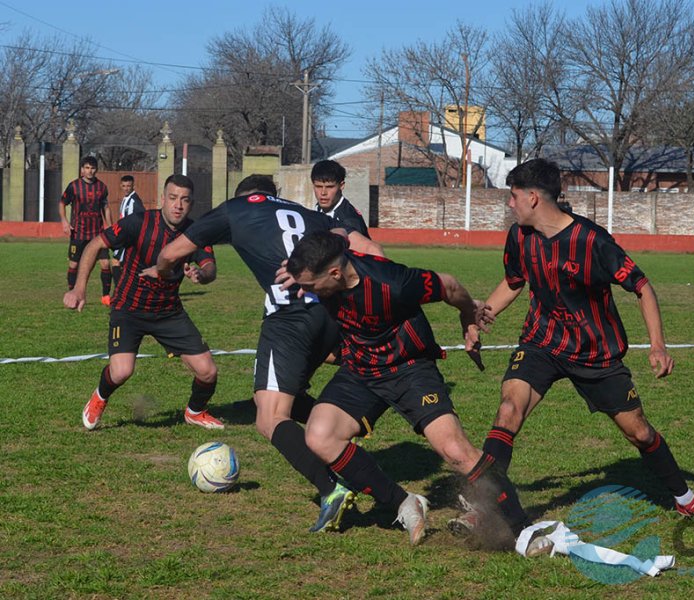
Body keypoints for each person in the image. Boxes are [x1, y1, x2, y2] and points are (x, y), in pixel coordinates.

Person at [476, 158, 694, 523]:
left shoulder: (591, 240)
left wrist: (658, 345)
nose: (509, 203)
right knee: (508, 410)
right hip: (542, 342)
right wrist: (481, 316)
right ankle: (484, 505)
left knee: (639, 433)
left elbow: (642, 287)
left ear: (533, 198)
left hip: (595, 353)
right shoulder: (520, 236)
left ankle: (685, 498)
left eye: (513, 196)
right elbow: (514, 281)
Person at [285, 231, 551, 556]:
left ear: (336, 273)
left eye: (310, 286)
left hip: (410, 369)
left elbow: (449, 285)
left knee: (455, 451)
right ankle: (404, 502)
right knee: (319, 436)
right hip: (361, 369)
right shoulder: (322, 272)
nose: (305, 291)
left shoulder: (392, 283)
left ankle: (522, 530)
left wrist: (469, 314)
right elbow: (337, 232)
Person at [155, 174, 384, 533]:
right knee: (286, 397)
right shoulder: (305, 211)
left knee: (269, 417)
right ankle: (346, 431)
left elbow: (171, 252)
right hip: (331, 317)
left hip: (291, 321)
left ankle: (332, 488)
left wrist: (163, 271)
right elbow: (371, 251)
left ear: (244, 197)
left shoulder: (235, 210)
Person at [63, 174, 224, 431]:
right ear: (163, 199)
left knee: (208, 372)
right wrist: (79, 288)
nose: (178, 205)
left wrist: (200, 275)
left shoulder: (196, 232)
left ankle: (195, 411)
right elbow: (95, 244)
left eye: (184, 200)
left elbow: (210, 269)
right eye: (172, 198)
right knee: (121, 372)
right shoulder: (139, 222)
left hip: (168, 313)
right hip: (129, 310)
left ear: (191, 204)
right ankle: (100, 396)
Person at [59, 156, 113, 305]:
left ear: (96, 170)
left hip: (98, 234)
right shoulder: (74, 186)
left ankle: (106, 297)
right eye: (87, 168)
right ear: (82, 169)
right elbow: (62, 203)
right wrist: (64, 221)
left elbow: (106, 207)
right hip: (79, 233)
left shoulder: (102, 187)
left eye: (92, 168)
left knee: (105, 264)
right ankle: (72, 292)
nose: (89, 171)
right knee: (74, 265)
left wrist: (109, 225)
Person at [311, 159, 370, 237]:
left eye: (330, 187)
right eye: (318, 186)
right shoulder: (318, 208)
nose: (323, 192)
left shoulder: (349, 221)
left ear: (341, 186)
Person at [111, 175, 145, 287]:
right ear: (121, 186)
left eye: (128, 186)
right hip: (123, 236)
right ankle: (124, 289)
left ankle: (120, 290)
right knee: (124, 264)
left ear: (133, 186)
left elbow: (141, 219)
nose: (126, 188)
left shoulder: (135, 201)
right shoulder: (126, 199)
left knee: (118, 262)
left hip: (128, 239)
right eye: (124, 186)